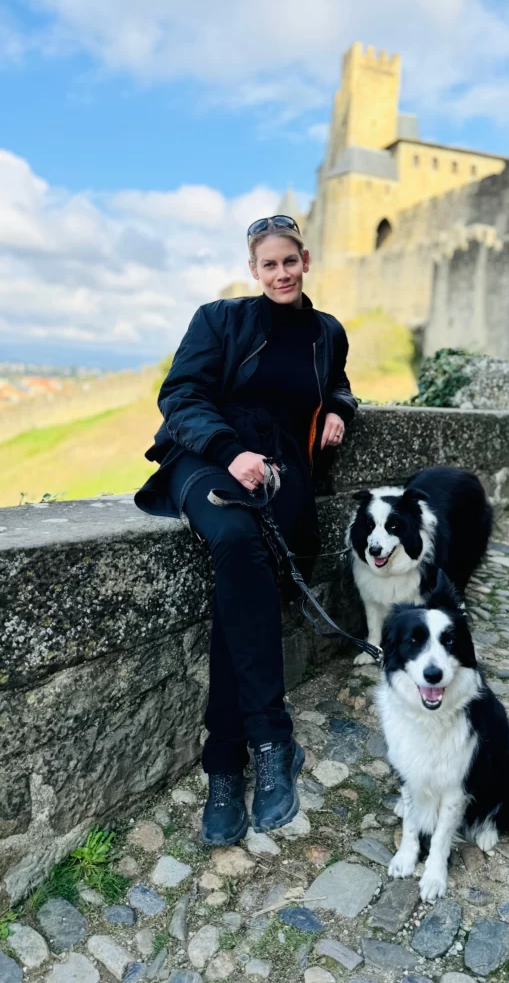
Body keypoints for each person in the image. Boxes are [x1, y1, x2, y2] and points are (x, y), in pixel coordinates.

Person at [135, 215, 357, 845]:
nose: (281, 273)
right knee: (234, 542)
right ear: (254, 270)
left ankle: (225, 767)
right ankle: (268, 739)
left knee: (247, 592)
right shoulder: (219, 319)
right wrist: (229, 449)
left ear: (305, 261)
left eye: (290, 261)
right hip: (205, 458)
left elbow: (336, 382)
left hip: (280, 473)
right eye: (269, 265)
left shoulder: (326, 333)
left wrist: (340, 408)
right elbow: (180, 396)